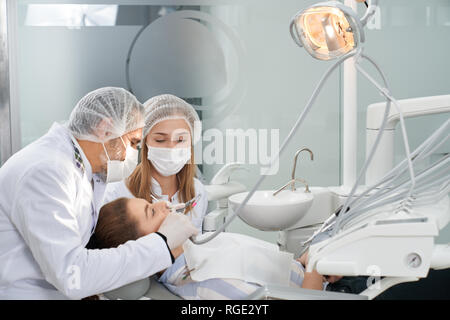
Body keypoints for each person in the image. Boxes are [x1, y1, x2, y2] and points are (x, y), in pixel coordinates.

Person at [0, 87, 198, 299]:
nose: (132, 154)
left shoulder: (82, 170)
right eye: (132, 143)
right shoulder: (47, 172)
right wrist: (162, 244)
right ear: (105, 129)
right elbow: (72, 275)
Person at [94, 197, 339, 299]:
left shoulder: (198, 251)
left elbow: (271, 278)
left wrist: (306, 264)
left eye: (150, 202)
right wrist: (315, 266)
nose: (162, 203)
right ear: (145, 246)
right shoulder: (205, 282)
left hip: (324, 279)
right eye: (152, 211)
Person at [103, 94, 208, 233]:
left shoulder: (197, 191)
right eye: (160, 140)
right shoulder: (115, 194)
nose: (171, 148)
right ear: (145, 142)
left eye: (181, 140)